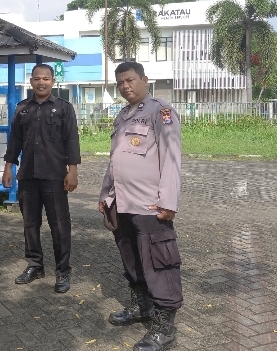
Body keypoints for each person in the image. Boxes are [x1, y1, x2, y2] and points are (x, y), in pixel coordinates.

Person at [99, 61, 183, 351]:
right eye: (120, 82)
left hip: (150, 205)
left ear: (144, 80)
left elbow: (172, 157)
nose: (125, 86)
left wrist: (168, 201)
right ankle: (141, 307)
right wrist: (106, 194)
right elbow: (116, 160)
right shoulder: (123, 115)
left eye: (130, 80)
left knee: (159, 263)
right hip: (122, 202)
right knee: (132, 258)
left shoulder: (161, 111)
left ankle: (165, 329)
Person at [2, 64, 80, 294]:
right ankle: (35, 265)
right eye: (37, 78)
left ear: (53, 82)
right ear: (31, 81)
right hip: (28, 176)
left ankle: (62, 270)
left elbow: (72, 140)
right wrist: (8, 168)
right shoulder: (22, 108)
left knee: (59, 225)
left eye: (46, 78)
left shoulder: (64, 108)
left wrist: (72, 170)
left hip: (55, 176)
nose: (41, 82)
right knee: (30, 224)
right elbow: (14, 141)